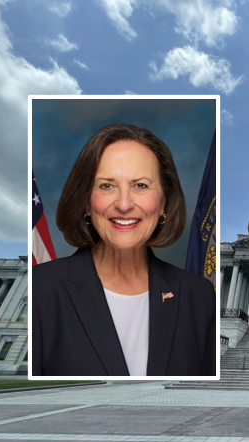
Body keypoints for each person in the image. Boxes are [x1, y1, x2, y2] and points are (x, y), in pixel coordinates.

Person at [32, 124, 216, 376]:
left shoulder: (199, 296)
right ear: (85, 202)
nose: (124, 204)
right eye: (106, 185)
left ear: (164, 203)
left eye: (140, 185)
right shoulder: (40, 289)